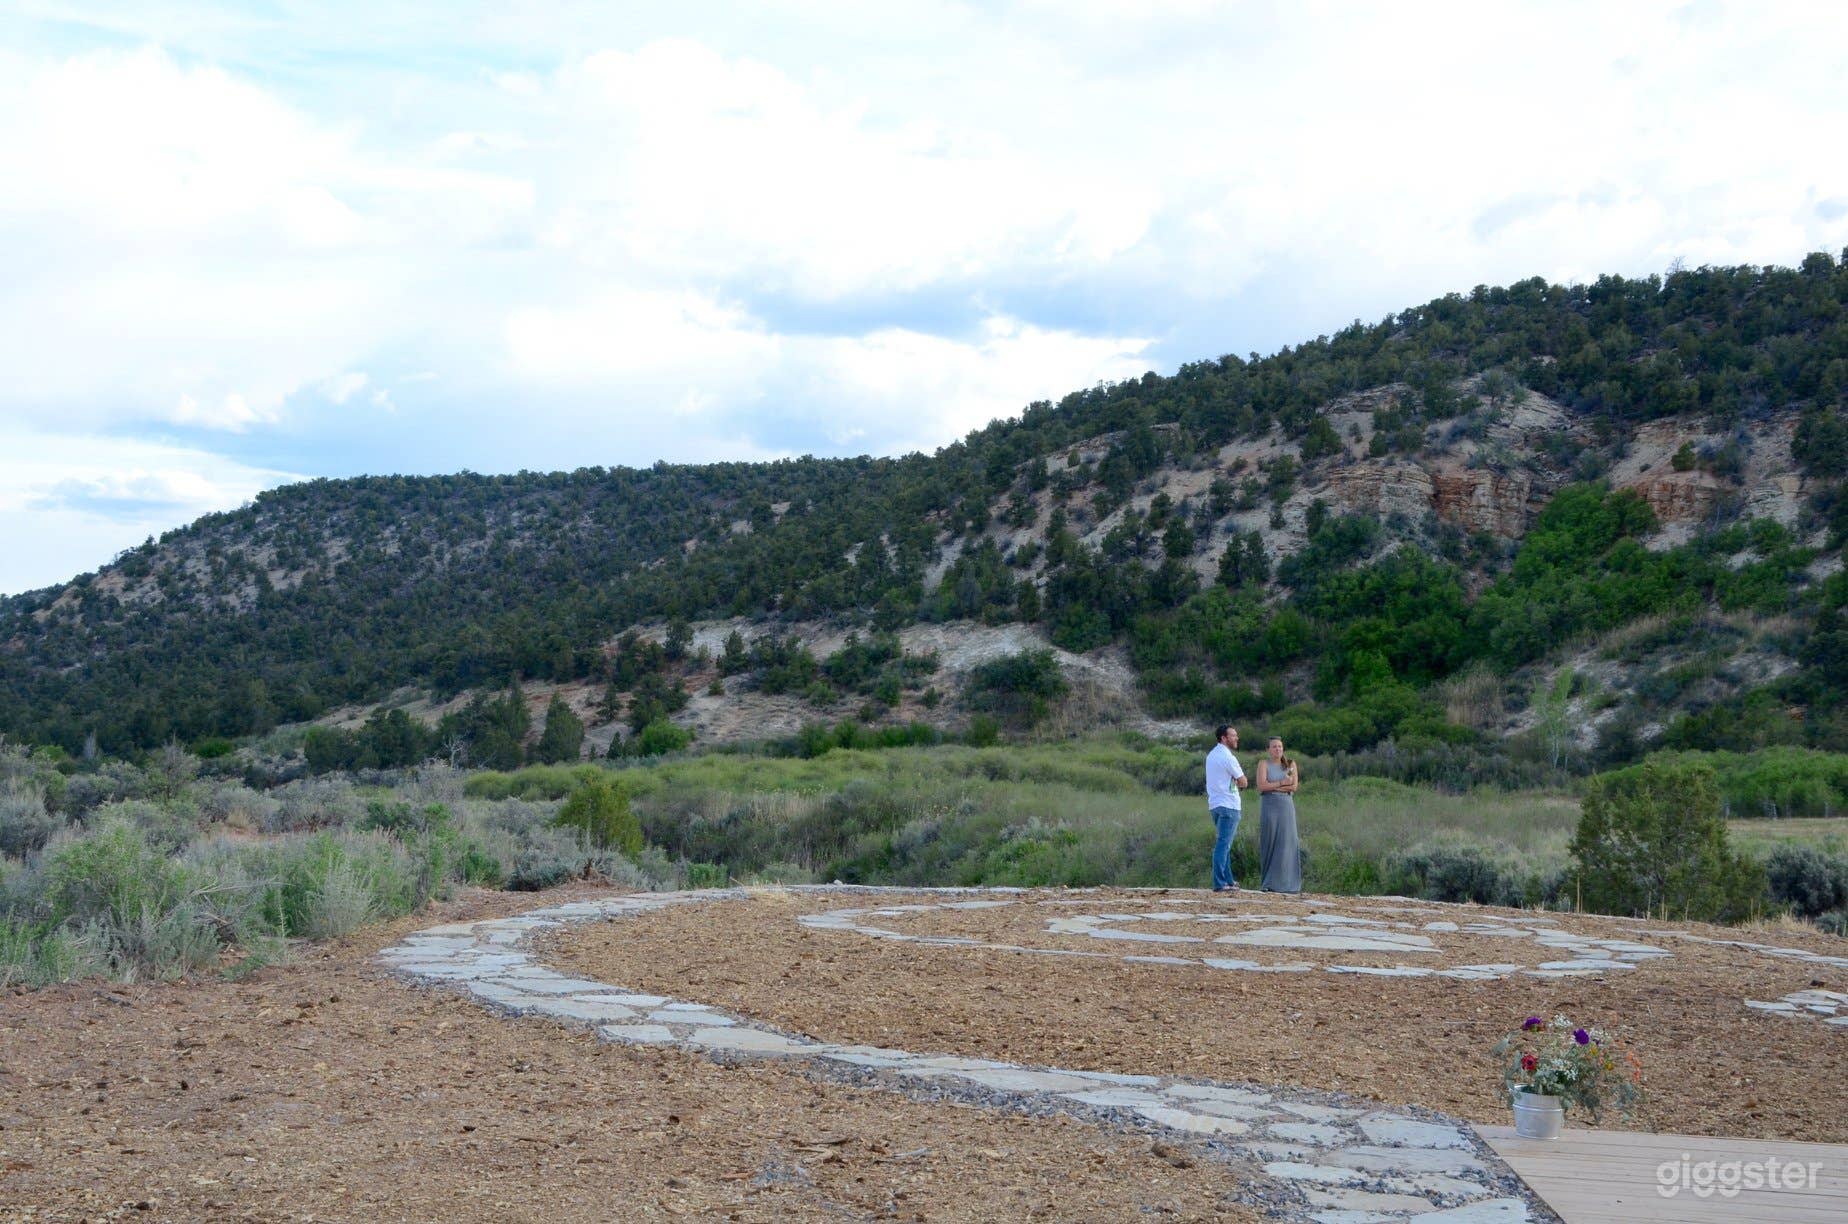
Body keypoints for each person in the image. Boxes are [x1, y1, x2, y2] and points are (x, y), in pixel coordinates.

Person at [1203, 724, 1247, 892]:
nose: (1237, 738)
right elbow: (1243, 781)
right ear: (1223, 738)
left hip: (1215, 804)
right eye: (1233, 735)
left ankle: (1228, 879)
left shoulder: (1211, 755)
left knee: (1225, 844)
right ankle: (1220, 882)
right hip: (1229, 805)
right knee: (1223, 844)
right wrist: (1238, 782)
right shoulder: (1228, 757)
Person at [1255, 735, 1301, 893]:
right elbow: (1261, 786)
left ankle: (1289, 884)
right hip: (1269, 807)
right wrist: (1281, 783)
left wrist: (1273, 787)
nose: (1277, 749)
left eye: (1280, 746)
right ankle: (1269, 883)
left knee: (1287, 842)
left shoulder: (1290, 764)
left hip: (1286, 806)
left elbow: (1293, 787)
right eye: (1274, 746)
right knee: (1270, 841)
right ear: (1268, 749)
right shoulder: (1263, 764)